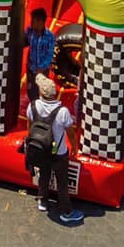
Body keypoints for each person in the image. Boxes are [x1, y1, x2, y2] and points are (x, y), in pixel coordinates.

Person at [24, 75, 83, 223]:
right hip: (58, 152)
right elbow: (70, 133)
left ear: (42, 94)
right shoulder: (62, 112)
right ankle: (66, 212)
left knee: (44, 175)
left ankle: (43, 201)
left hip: (41, 150)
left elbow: (30, 127)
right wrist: (75, 147)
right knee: (62, 182)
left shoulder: (33, 106)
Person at [23, 8, 56, 102]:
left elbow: (49, 55)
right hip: (31, 69)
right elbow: (24, 42)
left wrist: (41, 68)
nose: (30, 23)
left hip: (43, 71)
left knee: (43, 92)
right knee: (31, 92)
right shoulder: (29, 31)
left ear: (40, 21)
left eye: (32, 20)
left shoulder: (50, 36)